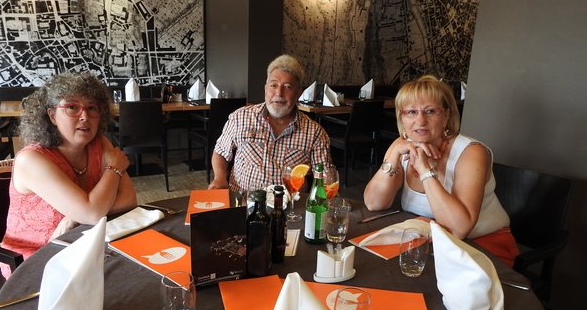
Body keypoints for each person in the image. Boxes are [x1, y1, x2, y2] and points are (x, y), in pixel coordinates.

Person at [363, 75, 519, 266]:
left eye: (430, 111)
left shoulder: (471, 152)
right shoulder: (402, 146)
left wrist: (425, 170)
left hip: (482, 247)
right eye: (411, 112)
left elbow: (459, 228)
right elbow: (374, 203)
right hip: (428, 242)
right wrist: (393, 155)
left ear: (446, 115)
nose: (420, 121)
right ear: (401, 118)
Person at [0, 72, 137, 277]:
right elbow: (92, 214)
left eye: (92, 108)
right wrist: (115, 168)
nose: (85, 116)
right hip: (35, 261)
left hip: (83, 245)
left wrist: (77, 216)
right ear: (52, 115)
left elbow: (129, 200)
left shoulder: (100, 144)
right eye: (72, 107)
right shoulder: (31, 160)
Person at [209, 54, 331, 192]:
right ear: (265, 89)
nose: (279, 93)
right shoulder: (240, 117)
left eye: (288, 87)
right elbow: (221, 152)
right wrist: (219, 178)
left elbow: (325, 176)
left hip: (290, 202)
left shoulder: (315, 133)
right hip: (243, 198)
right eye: (273, 85)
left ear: (298, 93)